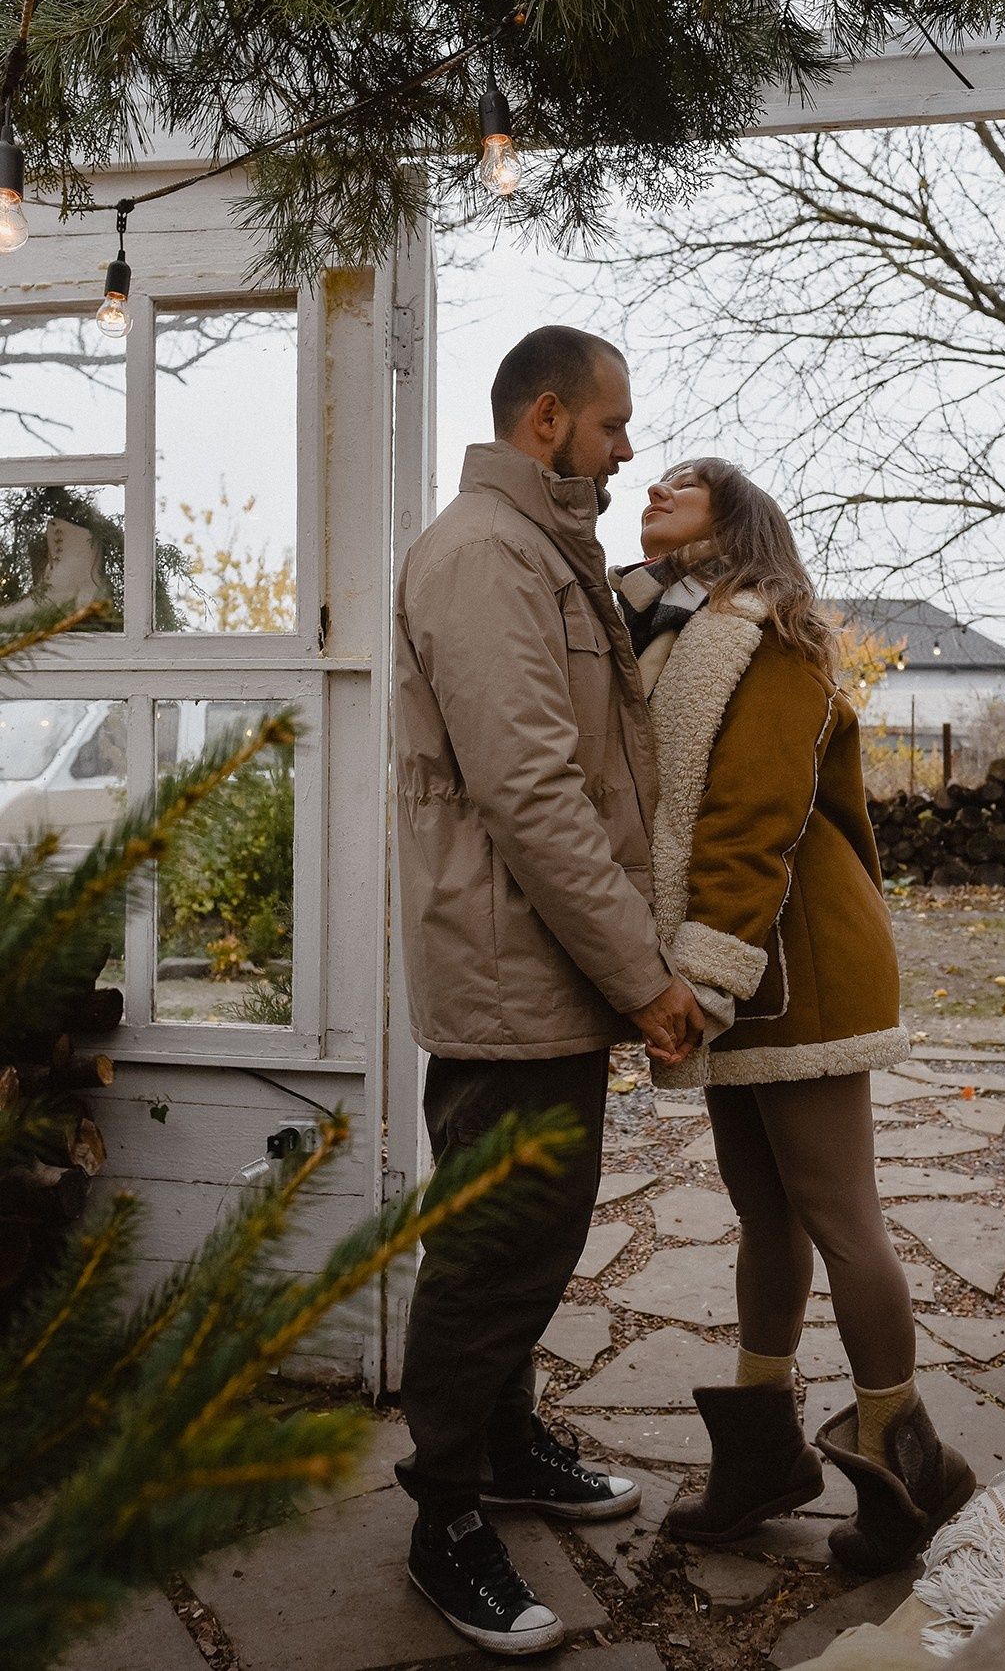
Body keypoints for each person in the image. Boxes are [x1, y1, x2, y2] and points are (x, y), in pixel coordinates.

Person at [393, 326, 705, 1656]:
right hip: (511, 973)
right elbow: (528, 791)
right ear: (542, 422)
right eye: (610, 424)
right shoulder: (479, 558)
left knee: (530, 1238)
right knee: (490, 1255)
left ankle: (507, 1443)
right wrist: (643, 979)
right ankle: (442, 1518)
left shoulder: (537, 551)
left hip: (543, 969)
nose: (626, 448)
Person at [612, 458, 976, 1573]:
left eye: (683, 482)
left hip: (792, 960)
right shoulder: (680, 632)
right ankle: (765, 1455)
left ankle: (908, 1465)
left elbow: (751, 817)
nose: (652, 491)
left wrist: (705, 973)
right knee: (763, 1214)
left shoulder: (769, 638)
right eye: (649, 482)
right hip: (745, 961)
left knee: (839, 1216)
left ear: (739, 516)